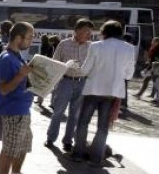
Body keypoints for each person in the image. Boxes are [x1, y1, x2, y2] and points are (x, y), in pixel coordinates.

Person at [69, 20, 135, 166]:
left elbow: (85, 70)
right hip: (112, 92)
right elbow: (129, 75)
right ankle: (96, 158)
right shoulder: (130, 49)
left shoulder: (96, 46)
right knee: (103, 127)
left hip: (93, 89)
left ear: (104, 32)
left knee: (83, 123)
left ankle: (78, 154)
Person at [0, 21, 36, 174]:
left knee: (22, 147)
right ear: (18, 37)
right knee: (10, 149)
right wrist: (21, 75)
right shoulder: (6, 58)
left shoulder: (17, 56)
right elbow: (3, 89)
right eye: (30, 37)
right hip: (13, 110)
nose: (32, 40)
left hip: (23, 109)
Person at [44, 18, 94, 152]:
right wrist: (67, 66)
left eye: (90, 32)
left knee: (75, 115)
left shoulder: (91, 46)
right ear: (76, 31)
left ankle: (67, 141)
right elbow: (54, 63)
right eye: (86, 31)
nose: (89, 35)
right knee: (58, 112)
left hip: (82, 82)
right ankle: (51, 138)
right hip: (65, 81)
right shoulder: (64, 44)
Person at [35, 35, 56, 107]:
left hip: (43, 65)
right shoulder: (51, 46)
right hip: (49, 65)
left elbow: (43, 55)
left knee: (40, 83)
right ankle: (40, 99)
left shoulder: (44, 45)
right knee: (45, 83)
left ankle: (39, 100)